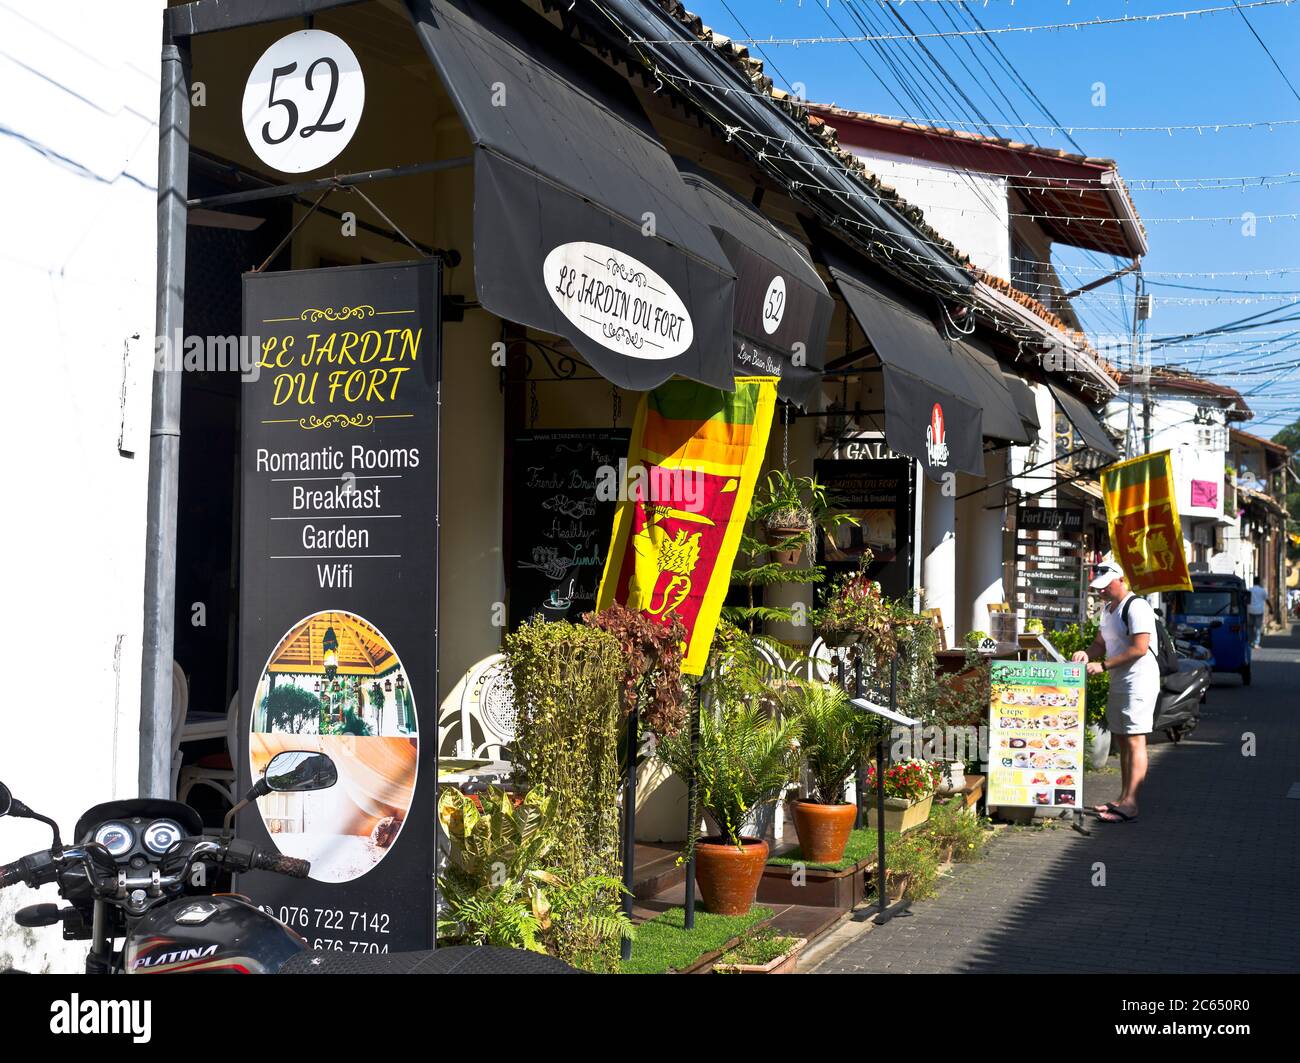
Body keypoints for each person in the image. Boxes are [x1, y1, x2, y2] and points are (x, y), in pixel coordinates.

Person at [1071, 560, 1160, 824]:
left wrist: (1104, 665)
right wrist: (1087, 654)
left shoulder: (1137, 607)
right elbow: (1101, 642)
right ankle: (1122, 797)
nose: (1101, 592)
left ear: (1120, 580)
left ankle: (1131, 803)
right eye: (1097, 588)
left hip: (1139, 681)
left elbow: (1139, 648)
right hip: (1120, 681)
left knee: (1135, 740)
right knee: (1122, 740)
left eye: (1105, 587)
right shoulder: (1107, 609)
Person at [1248, 578, 1268, 648]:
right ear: (1259, 582)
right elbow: (1267, 599)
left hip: (1250, 610)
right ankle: (1256, 643)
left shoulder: (1249, 590)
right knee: (1258, 627)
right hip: (1259, 611)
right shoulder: (1262, 590)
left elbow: (1246, 599)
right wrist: (1271, 609)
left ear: (1253, 582)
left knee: (1250, 627)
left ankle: (1250, 642)